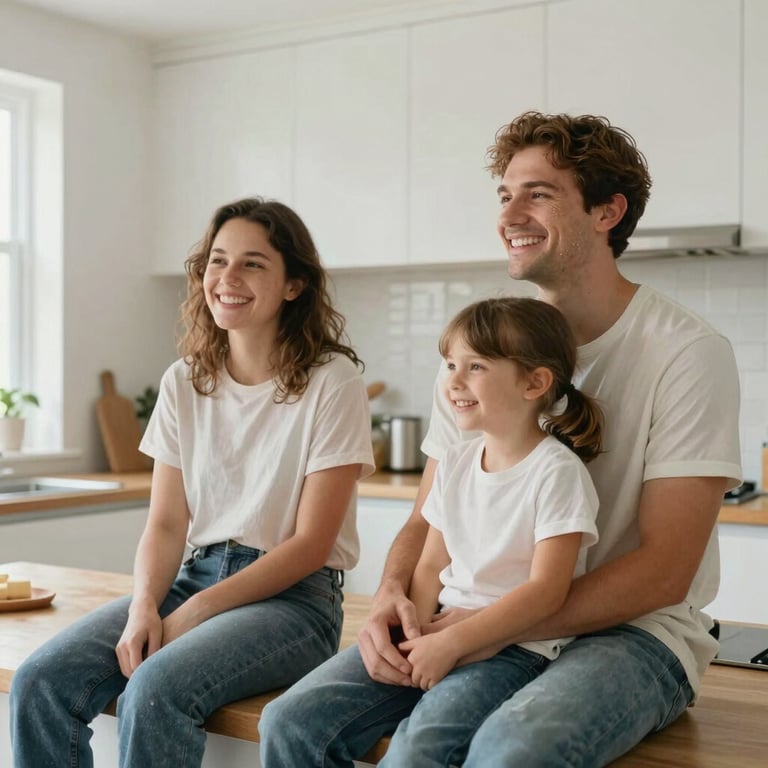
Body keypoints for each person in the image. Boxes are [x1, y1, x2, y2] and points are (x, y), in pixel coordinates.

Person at [258, 112, 742, 767]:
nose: (510, 212)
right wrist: (394, 600)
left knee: (512, 750)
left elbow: (664, 571)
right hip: (473, 613)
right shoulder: (475, 356)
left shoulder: (686, 353)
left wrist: (484, 630)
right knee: (293, 722)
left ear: (608, 211)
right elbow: (430, 518)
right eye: (504, 194)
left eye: (538, 193)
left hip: (631, 635)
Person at [9, 196, 375, 768]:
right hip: (195, 575)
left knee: (157, 687)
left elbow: (312, 545)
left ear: (294, 286)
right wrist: (143, 609)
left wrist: (197, 611)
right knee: (40, 681)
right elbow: (166, 521)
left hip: (295, 603)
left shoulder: (333, 380)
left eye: (253, 263)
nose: (228, 278)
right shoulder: (184, 380)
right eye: (217, 260)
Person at [366, 297, 603, 765]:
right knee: (289, 718)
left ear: (535, 382)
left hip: (514, 648)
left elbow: (546, 591)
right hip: (439, 632)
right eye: (451, 364)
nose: (452, 381)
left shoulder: (557, 472)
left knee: (417, 748)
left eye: (474, 366)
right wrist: (416, 632)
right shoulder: (455, 460)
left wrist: (453, 642)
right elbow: (432, 563)